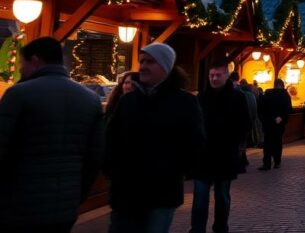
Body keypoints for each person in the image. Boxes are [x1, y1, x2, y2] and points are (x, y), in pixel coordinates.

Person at [0, 37, 104, 233]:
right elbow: (94, 157)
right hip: (65, 205)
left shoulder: (18, 94)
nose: (20, 69)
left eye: (22, 63)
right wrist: (77, 195)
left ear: (35, 60)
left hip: (19, 204)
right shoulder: (90, 99)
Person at [105, 43, 205, 233]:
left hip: (161, 193)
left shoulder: (185, 102)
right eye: (142, 61)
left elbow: (195, 144)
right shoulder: (128, 101)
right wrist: (113, 172)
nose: (143, 66)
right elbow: (111, 138)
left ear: (166, 67)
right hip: (125, 192)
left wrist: (170, 170)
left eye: (150, 62)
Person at [190, 58, 250, 233]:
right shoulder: (201, 97)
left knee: (222, 196)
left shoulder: (238, 98)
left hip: (225, 155)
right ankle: (197, 229)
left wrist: (234, 141)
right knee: (200, 197)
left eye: (217, 75)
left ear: (226, 75)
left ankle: (221, 227)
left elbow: (245, 123)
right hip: (203, 157)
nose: (214, 78)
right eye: (211, 75)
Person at [258, 78, 292, 170]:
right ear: (282, 85)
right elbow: (288, 109)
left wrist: (267, 119)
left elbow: (261, 109)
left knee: (267, 143)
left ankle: (267, 163)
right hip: (279, 124)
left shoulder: (267, 94)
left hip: (268, 124)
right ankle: (277, 162)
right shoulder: (286, 95)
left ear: (274, 85)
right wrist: (281, 117)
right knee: (278, 142)